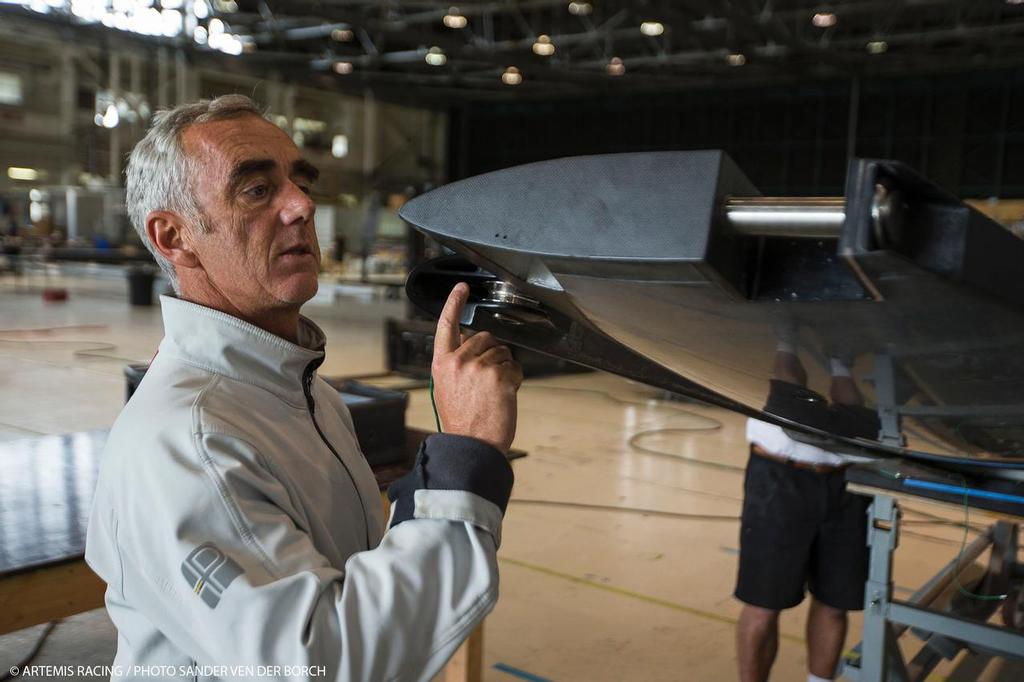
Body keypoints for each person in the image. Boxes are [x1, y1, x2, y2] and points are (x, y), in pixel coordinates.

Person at [85, 95, 523, 681]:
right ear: (174, 237)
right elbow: (322, 662)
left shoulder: (305, 391)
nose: (302, 205)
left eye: (300, 181)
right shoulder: (188, 443)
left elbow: (356, 572)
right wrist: (465, 458)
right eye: (257, 189)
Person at [735, 332, 879, 682]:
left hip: (844, 482)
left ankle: (839, 361)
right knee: (764, 605)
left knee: (835, 601)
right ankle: (787, 340)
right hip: (781, 479)